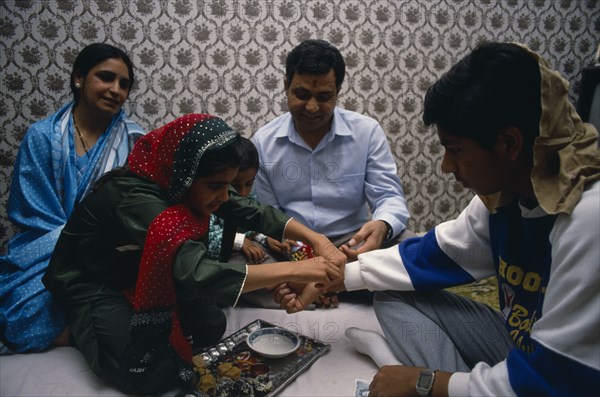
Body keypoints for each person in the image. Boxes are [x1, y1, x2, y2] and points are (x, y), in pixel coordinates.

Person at [276, 42, 600, 396]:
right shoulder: (505, 196)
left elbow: (555, 381)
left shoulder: (587, 218)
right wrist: (329, 276)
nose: (446, 166)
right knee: (391, 289)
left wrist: (424, 382)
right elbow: (438, 252)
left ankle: (415, 371)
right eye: (302, 93)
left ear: (509, 143)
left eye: (455, 150)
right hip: (519, 340)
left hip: (557, 376)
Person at [42, 114, 344, 395]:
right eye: (216, 186)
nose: (225, 197)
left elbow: (248, 210)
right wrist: (299, 270)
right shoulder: (138, 199)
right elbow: (197, 272)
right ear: (185, 174)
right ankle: (79, 329)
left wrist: (317, 239)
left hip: (136, 273)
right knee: (149, 373)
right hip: (95, 282)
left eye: (228, 185)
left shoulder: (182, 185)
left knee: (211, 324)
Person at [0, 43, 144, 354]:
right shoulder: (41, 136)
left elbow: (135, 210)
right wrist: (73, 242)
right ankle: (75, 332)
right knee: (19, 316)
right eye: (105, 77)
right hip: (46, 247)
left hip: (108, 251)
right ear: (79, 78)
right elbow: (30, 211)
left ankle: (83, 327)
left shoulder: (135, 142)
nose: (115, 90)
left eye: (124, 84)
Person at [252, 39, 411, 262]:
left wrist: (382, 225)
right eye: (302, 94)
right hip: (296, 245)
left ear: (338, 91)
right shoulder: (263, 141)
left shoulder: (367, 132)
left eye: (324, 97)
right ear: (285, 86)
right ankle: (342, 283)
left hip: (354, 241)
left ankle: (319, 285)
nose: (312, 107)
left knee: (412, 248)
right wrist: (305, 258)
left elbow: (388, 196)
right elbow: (271, 214)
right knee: (242, 264)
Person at [206, 137, 296, 264]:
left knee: (283, 256)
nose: (243, 193)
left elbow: (250, 226)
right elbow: (206, 238)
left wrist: (264, 238)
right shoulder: (209, 202)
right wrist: (239, 241)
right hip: (223, 257)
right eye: (234, 185)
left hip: (252, 248)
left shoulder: (251, 197)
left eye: (249, 184)